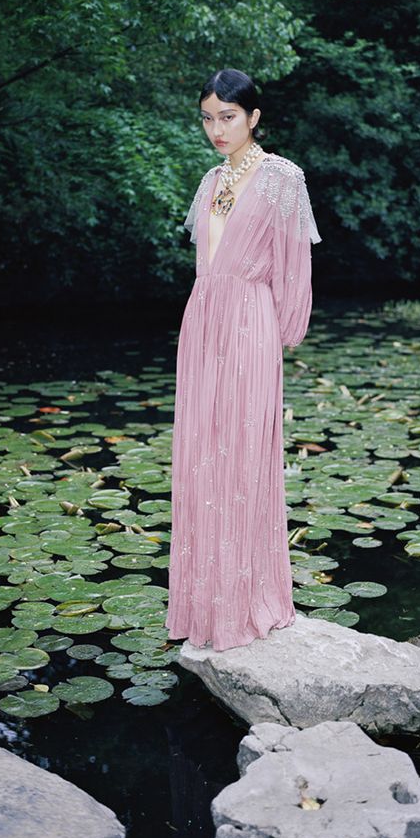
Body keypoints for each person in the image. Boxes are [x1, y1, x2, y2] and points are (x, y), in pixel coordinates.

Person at [164, 68, 322, 652]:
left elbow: (293, 264)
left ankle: (250, 601)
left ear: (253, 118)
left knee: (243, 455)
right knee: (201, 457)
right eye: (207, 117)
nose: (216, 129)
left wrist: (280, 336)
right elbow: (206, 264)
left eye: (227, 116)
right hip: (203, 321)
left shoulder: (284, 178)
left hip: (252, 323)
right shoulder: (209, 182)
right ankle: (206, 605)